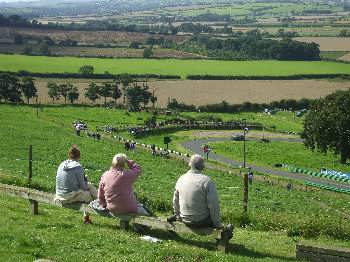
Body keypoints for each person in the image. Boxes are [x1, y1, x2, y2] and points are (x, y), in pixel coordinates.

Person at [172, 154, 222, 228]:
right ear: (203, 167)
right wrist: (217, 224)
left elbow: (175, 200)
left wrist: (177, 216)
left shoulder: (181, 179)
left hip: (185, 219)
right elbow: (213, 205)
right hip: (201, 221)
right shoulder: (207, 181)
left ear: (190, 164)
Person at [55, 145, 97, 224]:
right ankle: (87, 217)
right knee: (89, 195)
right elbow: (83, 187)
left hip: (59, 194)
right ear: (79, 156)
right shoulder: (78, 167)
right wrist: (86, 181)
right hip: (68, 196)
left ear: (69, 155)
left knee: (90, 186)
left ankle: (99, 200)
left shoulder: (62, 164)